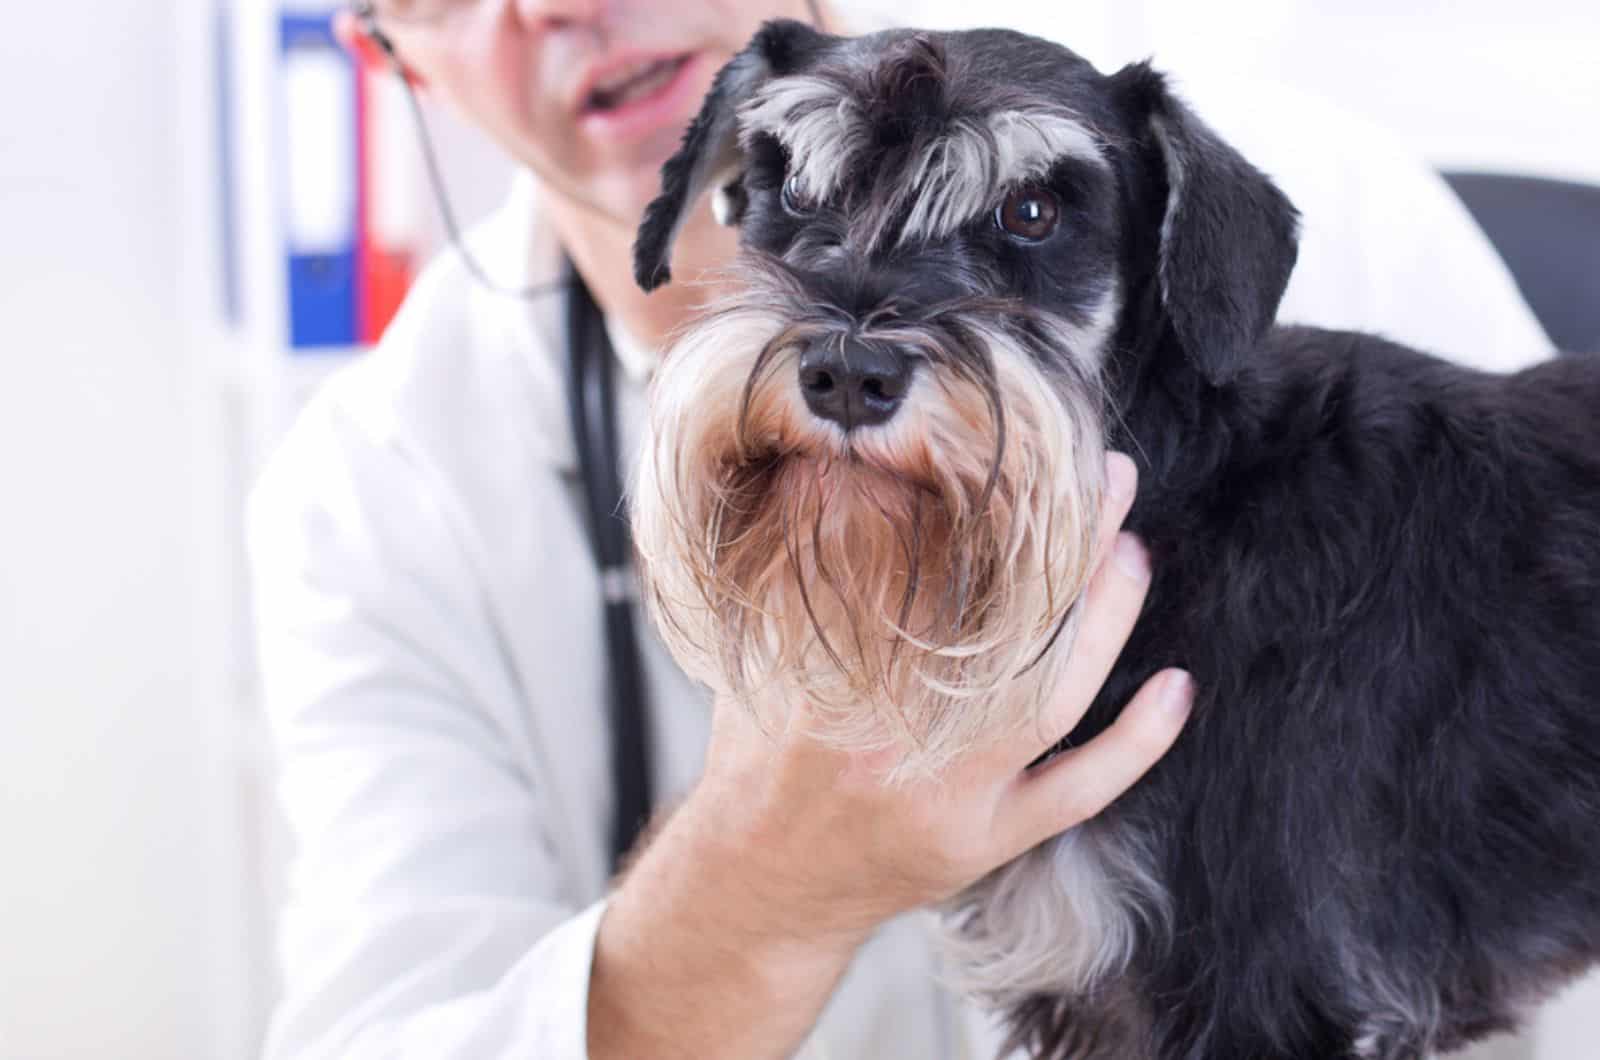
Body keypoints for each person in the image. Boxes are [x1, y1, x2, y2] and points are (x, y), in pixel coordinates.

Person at [247, 2, 1551, 1058]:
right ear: (387, 57)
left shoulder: (1311, 207)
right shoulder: (373, 500)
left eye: (1029, 224)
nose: (557, 7)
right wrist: (758, 887)